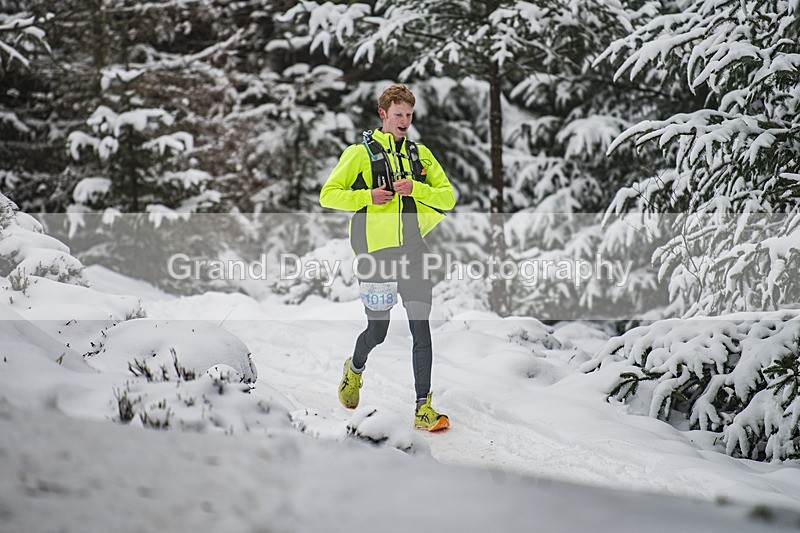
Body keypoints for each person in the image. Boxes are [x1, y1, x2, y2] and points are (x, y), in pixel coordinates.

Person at [319, 84, 456, 431]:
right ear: (383, 114)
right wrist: (367, 196)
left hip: (413, 251)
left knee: (420, 326)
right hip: (376, 253)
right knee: (378, 330)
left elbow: (448, 198)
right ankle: (354, 369)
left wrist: (416, 188)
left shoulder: (420, 154)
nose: (405, 121)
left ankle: (423, 408)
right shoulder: (359, 154)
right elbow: (328, 195)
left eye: (409, 114)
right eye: (398, 114)